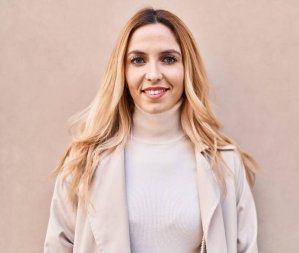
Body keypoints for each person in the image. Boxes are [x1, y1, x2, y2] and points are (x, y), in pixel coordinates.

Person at [44, 7, 259, 253]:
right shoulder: (84, 162)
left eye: (168, 59)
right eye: (138, 60)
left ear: (187, 68)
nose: (153, 74)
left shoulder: (226, 164)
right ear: (122, 72)